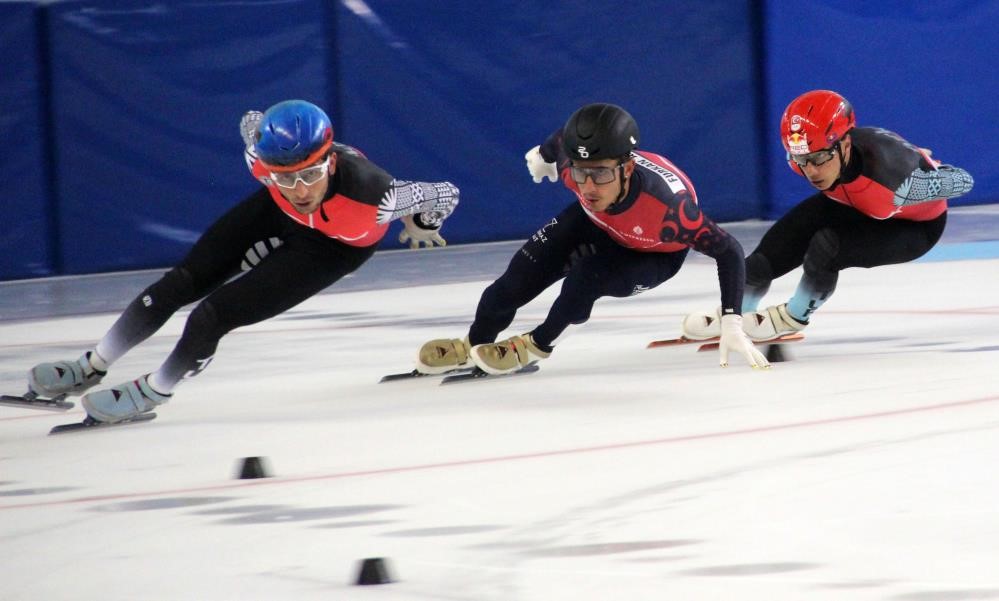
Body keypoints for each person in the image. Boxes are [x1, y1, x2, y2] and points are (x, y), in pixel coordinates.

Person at [26, 99, 460, 423]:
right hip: (275, 216)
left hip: (334, 246)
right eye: (283, 177)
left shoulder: (377, 195)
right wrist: (279, 185)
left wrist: (423, 222)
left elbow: (447, 192)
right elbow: (251, 119)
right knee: (179, 283)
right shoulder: (258, 156)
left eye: (310, 173)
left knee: (212, 316)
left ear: (330, 160)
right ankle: (91, 365)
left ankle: (155, 391)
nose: (300, 188)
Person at [414, 102, 768, 377]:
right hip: (597, 224)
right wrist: (543, 155)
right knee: (512, 283)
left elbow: (729, 250)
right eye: (581, 173)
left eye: (600, 175)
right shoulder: (576, 166)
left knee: (585, 278)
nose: (587, 186)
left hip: (652, 253)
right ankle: (474, 342)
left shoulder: (671, 211)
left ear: (627, 169)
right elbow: (561, 140)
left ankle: (536, 345)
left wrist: (732, 319)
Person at [682, 89, 975, 341]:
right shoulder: (807, 154)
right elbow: (811, 160)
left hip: (913, 226)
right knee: (767, 255)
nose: (810, 171)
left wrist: (932, 175)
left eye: (819, 158)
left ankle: (792, 317)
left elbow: (965, 180)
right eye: (801, 160)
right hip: (853, 203)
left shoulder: (893, 178)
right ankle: (737, 309)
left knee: (827, 247)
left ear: (845, 144)